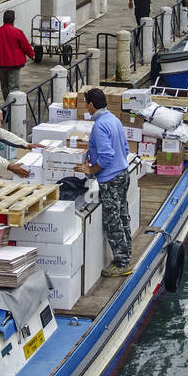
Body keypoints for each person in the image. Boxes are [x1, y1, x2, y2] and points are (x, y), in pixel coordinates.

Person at [75, 89, 133, 278]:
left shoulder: (100, 126)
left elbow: (107, 156)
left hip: (111, 178)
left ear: (91, 105)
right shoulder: (114, 120)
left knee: (113, 220)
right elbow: (124, 148)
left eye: (86, 103)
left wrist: (91, 170)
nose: (86, 107)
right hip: (123, 173)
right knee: (123, 214)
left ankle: (121, 262)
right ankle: (127, 253)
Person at [0, 10, 35, 101]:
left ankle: (7, 104)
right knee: (14, 88)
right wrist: (32, 55)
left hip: (1, 64)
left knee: (4, 87)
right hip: (14, 64)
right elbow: (25, 46)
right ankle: (14, 107)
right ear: (13, 20)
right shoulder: (17, 32)